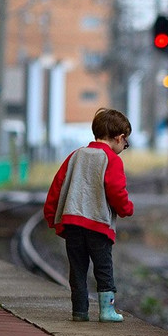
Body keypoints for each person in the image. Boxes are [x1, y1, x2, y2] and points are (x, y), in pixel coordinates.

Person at [44, 107, 134, 322]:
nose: (124, 147)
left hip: (73, 223)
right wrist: (126, 208)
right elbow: (115, 190)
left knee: (77, 269)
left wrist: (51, 215)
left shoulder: (75, 156)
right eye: (126, 143)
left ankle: (79, 312)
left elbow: (57, 186)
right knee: (103, 268)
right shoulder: (111, 159)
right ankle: (106, 311)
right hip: (98, 225)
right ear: (120, 138)